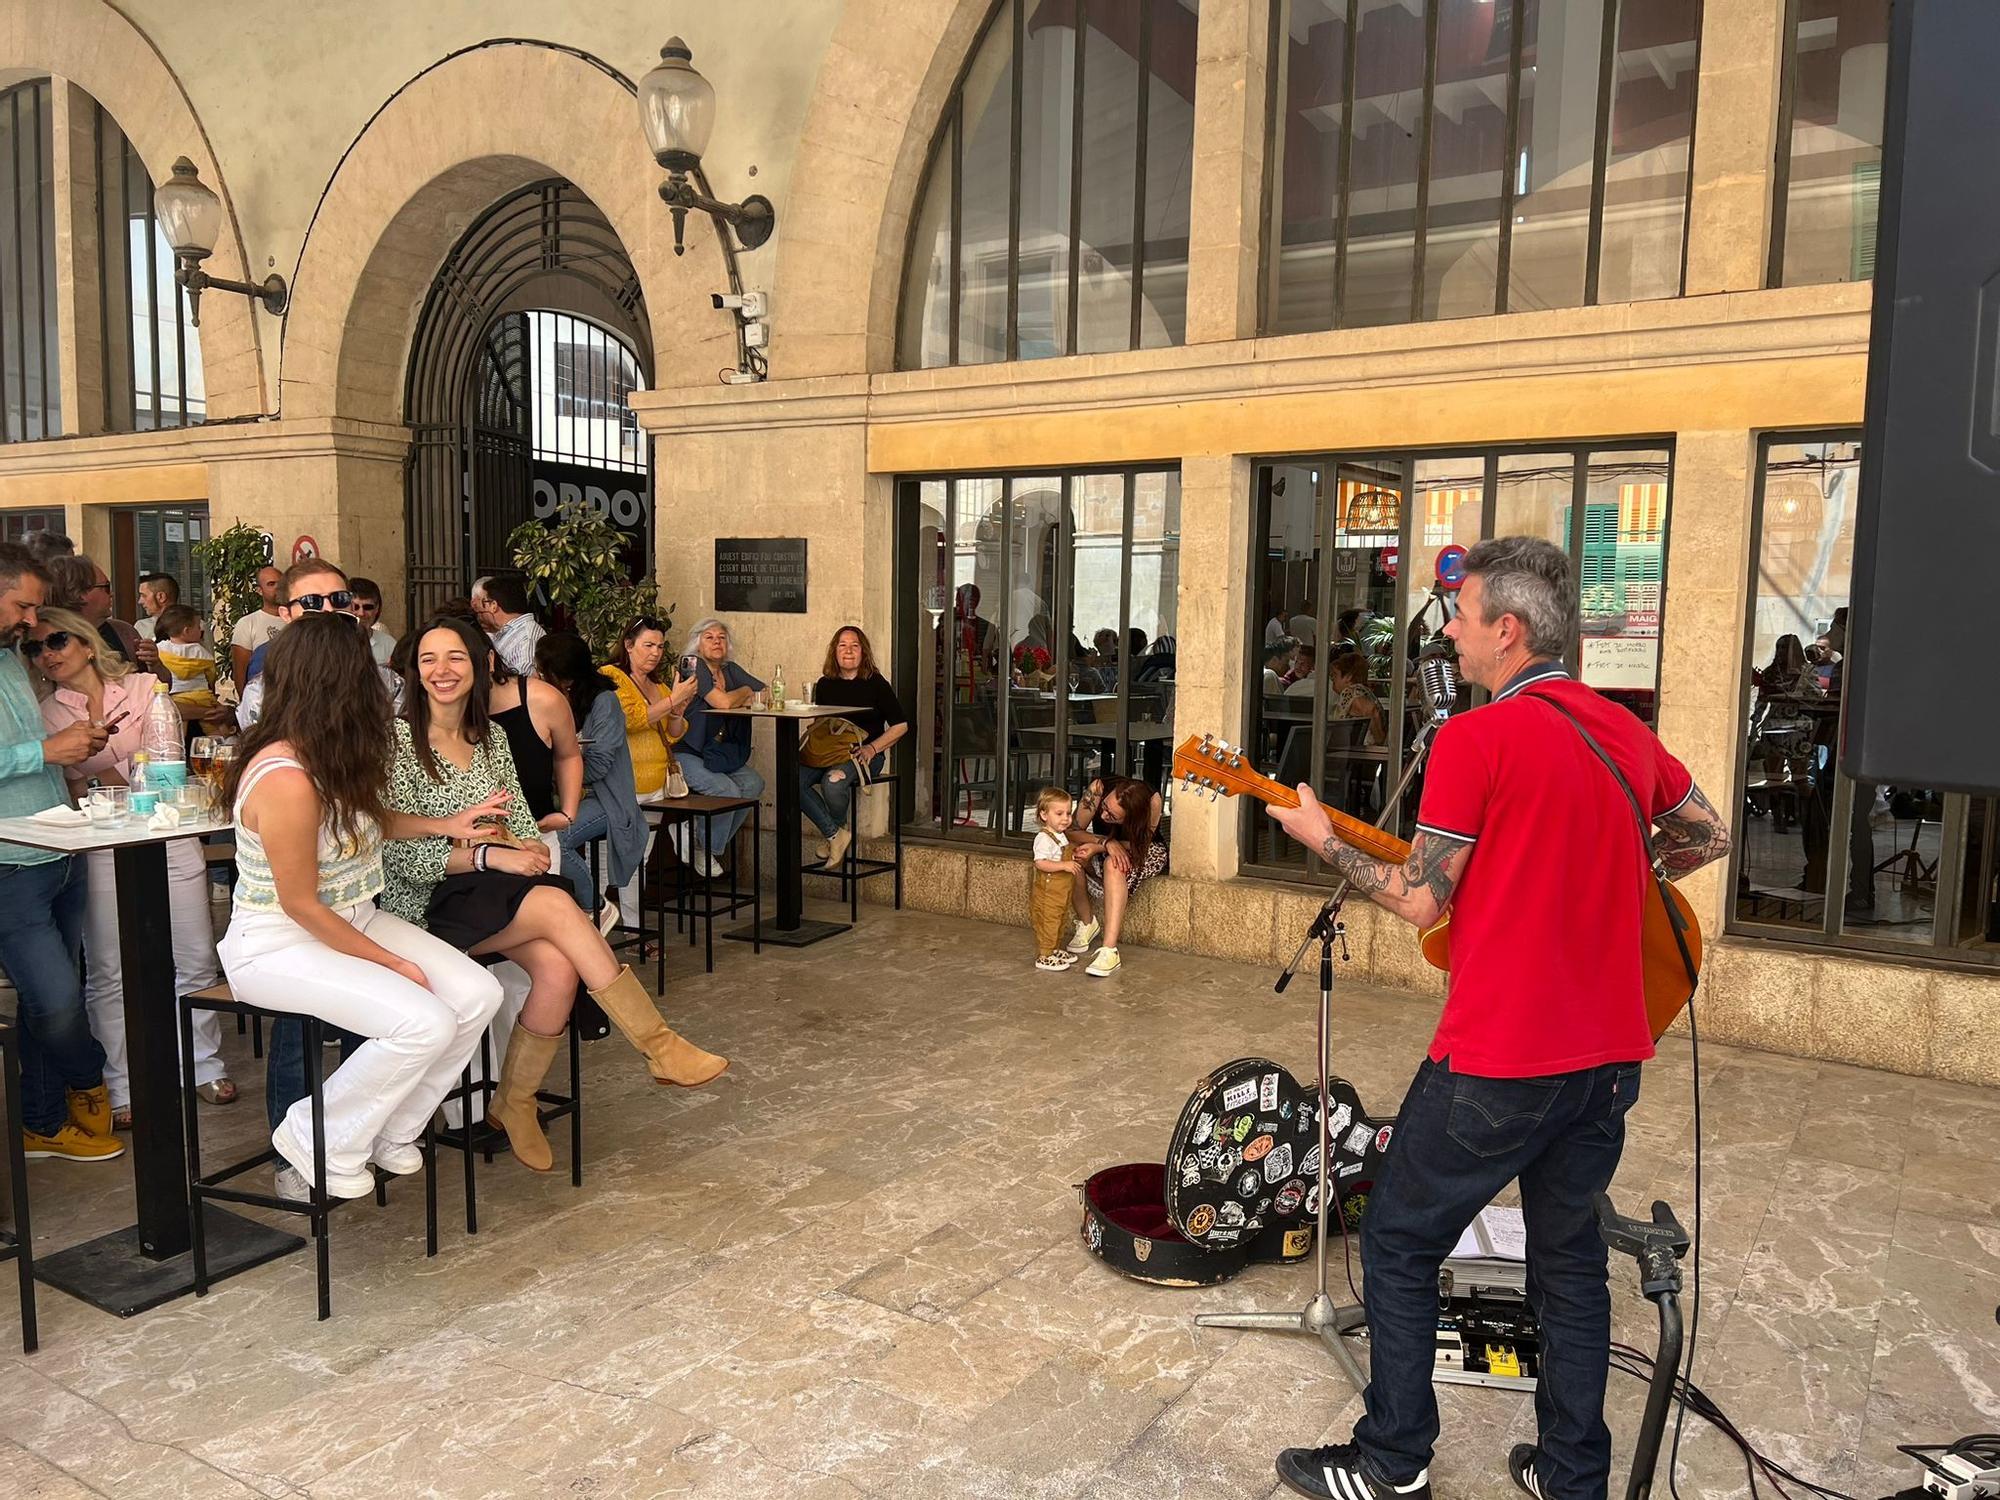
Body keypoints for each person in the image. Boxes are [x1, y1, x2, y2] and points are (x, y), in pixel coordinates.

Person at [1264, 535, 1732, 1500]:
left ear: (1506, 632)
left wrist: (1318, 836)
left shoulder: (1475, 740)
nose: (1453, 634)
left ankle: (1393, 1460)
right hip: (1608, 1062)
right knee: (1568, 1266)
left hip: (1501, 1060)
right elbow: (1704, 834)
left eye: (1462, 616)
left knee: (1395, 1239)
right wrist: (1610, 881)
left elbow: (1419, 901)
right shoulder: (1620, 731)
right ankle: (1572, 1481)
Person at [384, 616, 726, 1172]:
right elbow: (391, 852)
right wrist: (492, 854)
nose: (442, 671)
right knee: (556, 904)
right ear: (413, 670)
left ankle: (514, 1101)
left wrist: (532, 845)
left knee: (560, 971)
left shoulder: (491, 738)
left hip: (492, 890)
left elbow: (517, 817)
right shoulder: (397, 742)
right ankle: (658, 1044)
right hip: (426, 898)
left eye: (456, 658)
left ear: (479, 666)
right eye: (429, 659)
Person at [218, 611, 508, 1197]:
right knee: (422, 1020)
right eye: (370, 672)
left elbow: (364, 822)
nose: (385, 683)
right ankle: (314, 1133)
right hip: (276, 943)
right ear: (340, 682)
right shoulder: (286, 777)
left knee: (479, 994)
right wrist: (392, 963)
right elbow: (300, 904)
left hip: (352, 917)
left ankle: (391, 1129)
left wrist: (445, 823)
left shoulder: (331, 752)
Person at [30, 607, 233, 1127]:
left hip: (169, 837)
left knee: (192, 957)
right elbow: (78, 783)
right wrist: (130, 771)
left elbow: (167, 766)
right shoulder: (47, 714)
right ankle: (121, 1084)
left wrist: (99, 774)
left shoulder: (145, 687)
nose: (47, 654)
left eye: (56, 641)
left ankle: (204, 1064)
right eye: (35, 648)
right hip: (100, 848)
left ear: (84, 643)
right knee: (107, 970)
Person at [0, 545, 122, 1162]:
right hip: (8, 865)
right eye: (22, 605)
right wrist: (46, 753)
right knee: (57, 1001)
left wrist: (66, 746)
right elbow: (25, 755)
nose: (30, 622)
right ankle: (89, 1077)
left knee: (45, 999)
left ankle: (43, 1124)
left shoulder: (7, 659)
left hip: (58, 849)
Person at [537, 632, 647, 922]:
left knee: (555, 839)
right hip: (566, 795)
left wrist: (559, 770)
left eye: (541, 670)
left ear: (564, 677)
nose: (536, 675)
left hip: (607, 799)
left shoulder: (605, 703)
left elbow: (599, 765)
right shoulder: (551, 700)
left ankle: (596, 906)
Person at [600, 616, 700, 905]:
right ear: (629, 645)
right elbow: (631, 720)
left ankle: (636, 927)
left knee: (640, 858)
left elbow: (672, 735)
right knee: (607, 859)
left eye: (660, 646)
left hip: (656, 785)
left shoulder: (660, 687)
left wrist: (678, 710)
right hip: (623, 785)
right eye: (648, 645)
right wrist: (672, 701)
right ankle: (590, 927)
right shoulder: (611, 676)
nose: (655, 652)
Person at [237, 559, 401, 728]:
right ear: (286, 614)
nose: (328, 609)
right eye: (311, 602)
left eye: (339, 599)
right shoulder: (260, 695)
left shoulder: (387, 686)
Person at [803, 625, 908, 870]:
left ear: (863, 652)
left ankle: (835, 837)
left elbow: (900, 725)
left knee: (834, 782)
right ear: (834, 651)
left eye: (854, 645)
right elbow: (821, 725)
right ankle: (835, 835)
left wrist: (872, 749)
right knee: (790, 779)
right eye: (842, 645)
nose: (848, 650)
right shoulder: (825, 684)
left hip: (865, 754)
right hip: (830, 752)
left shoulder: (876, 684)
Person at [679, 617, 767, 874]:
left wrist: (742, 691)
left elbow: (767, 693)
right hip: (687, 751)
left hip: (718, 751)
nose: (717, 642)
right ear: (697, 643)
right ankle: (706, 849)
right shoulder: (694, 668)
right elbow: (724, 704)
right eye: (710, 637)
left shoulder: (730, 669)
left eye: (721, 638)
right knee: (726, 790)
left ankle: (702, 842)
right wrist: (744, 692)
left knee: (753, 784)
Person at [1067, 773, 1168, 979]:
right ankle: (1087, 922)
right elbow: (1072, 831)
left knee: (1113, 864)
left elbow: (1142, 844)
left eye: (1112, 816)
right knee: (1070, 852)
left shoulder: (1153, 802)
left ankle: (1109, 951)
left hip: (1144, 850)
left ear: (1130, 818)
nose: (1103, 816)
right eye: (1104, 807)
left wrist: (1099, 847)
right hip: (1106, 844)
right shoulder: (1098, 789)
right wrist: (1104, 843)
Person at [487, 648, 582, 835]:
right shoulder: (432, 711)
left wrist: (567, 814)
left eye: (457, 657)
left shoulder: (542, 698)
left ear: (489, 659)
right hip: (458, 846)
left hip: (536, 833)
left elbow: (568, 755)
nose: (445, 669)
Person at [1028, 786, 1090, 972]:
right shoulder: (1043, 838)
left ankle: (1054, 948)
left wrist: (1073, 856)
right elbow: (1040, 863)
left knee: (1060, 918)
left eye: (1068, 813)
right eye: (1059, 813)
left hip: (1062, 889)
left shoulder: (1060, 836)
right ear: (1044, 815)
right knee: (1049, 919)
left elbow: (1062, 855)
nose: (1065, 818)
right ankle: (1045, 954)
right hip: (1049, 890)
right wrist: (1063, 866)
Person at [47, 554, 147, 668]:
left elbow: (157, 682)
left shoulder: (125, 632)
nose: (112, 594)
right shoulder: (48, 642)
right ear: (78, 593)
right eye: (106, 587)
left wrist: (155, 665)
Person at [153, 603, 222, 720]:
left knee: (177, 728)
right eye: (198, 627)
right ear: (187, 631)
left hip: (175, 697)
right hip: (202, 697)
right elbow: (211, 673)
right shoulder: (200, 651)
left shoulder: (160, 649)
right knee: (215, 725)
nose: (201, 630)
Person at [472, 573, 545, 679]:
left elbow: (524, 686)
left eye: (483, 602)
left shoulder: (526, 639)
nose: (479, 610)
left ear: (493, 606)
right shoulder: (504, 631)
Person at [230, 564, 283, 690]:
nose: (278, 588)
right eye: (271, 584)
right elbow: (240, 673)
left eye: (281, 583)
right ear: (259, 590)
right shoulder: (247, 623)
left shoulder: (297, 620)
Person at [1326, 649, 1387, 745]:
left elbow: (1371, 710)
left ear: (1349, 677)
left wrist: (1379, 739)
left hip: (1358, 751)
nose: (1332, 678)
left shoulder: (1350, 692)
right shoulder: (1364, 690)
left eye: (1335, 675)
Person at [349, 576, 398, 667]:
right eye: (355, 607)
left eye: (367, 607)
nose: (361, 613)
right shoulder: (331, 644)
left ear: (377, 609)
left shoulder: (388, 645)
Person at [135, 572, 178, 641]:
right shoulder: (141, 626)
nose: (140, 601)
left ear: (161, 597)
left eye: (144, 596)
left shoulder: (194, 625)